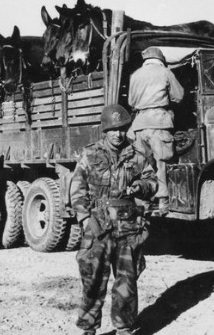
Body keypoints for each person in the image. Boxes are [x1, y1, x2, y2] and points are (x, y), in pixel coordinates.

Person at [70, 104, 158, 335]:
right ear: (105, 130)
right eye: (113, 129)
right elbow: (77, 189)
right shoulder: (90, 154)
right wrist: (85, 218)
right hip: (97, 227)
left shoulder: (137, 156)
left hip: (128, 229)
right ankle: (88, 329)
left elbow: (153, 183)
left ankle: (124, 328)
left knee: (126, 283)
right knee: (93, 282)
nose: (118, 134)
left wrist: (141, 186)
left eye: (122, 129)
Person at [128, 46, 184, 215]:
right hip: (159, 122)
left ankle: (144, 202)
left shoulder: (135, 75)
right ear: (160, 60)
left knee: (144, 165)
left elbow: (131, 101)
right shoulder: (165, 72)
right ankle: (163, 202)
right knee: (161, 162)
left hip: (138, 125)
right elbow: (179, 96)